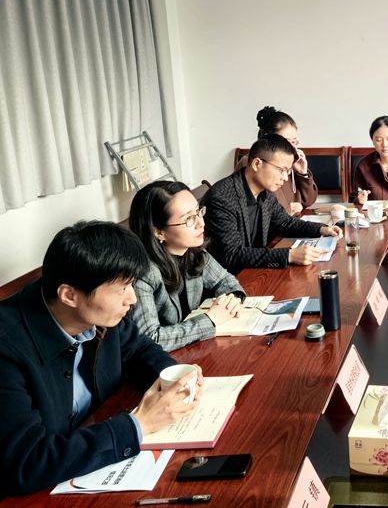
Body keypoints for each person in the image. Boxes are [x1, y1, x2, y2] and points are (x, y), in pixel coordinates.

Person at [0, 221, 202, 497]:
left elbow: (138, 348)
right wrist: (140, 423)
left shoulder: (98, 313)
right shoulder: (7, 349)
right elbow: (26, 464)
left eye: (131, 284)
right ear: (69, 295)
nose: (132, 299)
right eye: (122, 288)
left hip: (92, 456)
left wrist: (175, 380)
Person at [128, 181, 245, 351]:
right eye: (189, 219)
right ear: (159, 232)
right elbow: (150, 338)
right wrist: (210, 320)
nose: (201, 223)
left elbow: (225, 280)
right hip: (164, 362)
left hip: (194, 350)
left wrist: (232, 299)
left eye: (198, 212)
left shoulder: (193, 251)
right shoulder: (143, 273)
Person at [203, 134, 342, 275]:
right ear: (257, 164)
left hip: (253, 272)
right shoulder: (221, 198)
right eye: (281, 170)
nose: (285, 177)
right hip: (227, 280)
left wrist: (321, 229)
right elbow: (232, 255)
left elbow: (285, 222)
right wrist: (289, 255)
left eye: (288, 171)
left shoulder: (265, 192)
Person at [244, 106, 318, 216]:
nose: (293, 148)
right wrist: (286, 214)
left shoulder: (289, 162)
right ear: (268, 139)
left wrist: (303, 174)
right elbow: (258, 217)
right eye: (287, 142)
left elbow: (308, 201)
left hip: (291, 223)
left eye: (294, 142)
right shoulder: (258, 165)